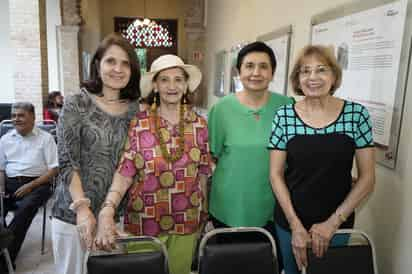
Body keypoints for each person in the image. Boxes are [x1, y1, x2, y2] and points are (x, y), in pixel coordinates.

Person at [94, 54, 211, 274]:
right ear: (155, 86)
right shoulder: (140, 123)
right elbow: (125, 170)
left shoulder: (200, 125)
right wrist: (108, 208)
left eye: (178, 79)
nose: (172, 86)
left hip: (186, 219)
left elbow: (202, 172)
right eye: (164, 80)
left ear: (186, 85)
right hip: (145, 219)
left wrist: (203, 214)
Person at [268, 45, 375, 274]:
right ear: (298, 78)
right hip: (290, 222)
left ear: (334, 76)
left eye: (321, 70)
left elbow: (367, 178)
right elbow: (275, 175)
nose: (313, 77)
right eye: (305, 71)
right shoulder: (284, 115)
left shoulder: (357, 115)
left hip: (338, 223)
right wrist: (295, 225)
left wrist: (332, 223)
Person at [51, 33, 140, 274]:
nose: (118, 69)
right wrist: (82, 209)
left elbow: (133, 162)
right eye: (111, 61)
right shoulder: (77, 102)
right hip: (73, 215)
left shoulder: (136, 109)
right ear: (97, 64)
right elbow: (67, 160)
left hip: (114, 216)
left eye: (125, 64)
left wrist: (108, 213)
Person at [207, 42, 292, 254]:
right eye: (249, 66)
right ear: (239, 71)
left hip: (273, 205)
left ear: (273, 72)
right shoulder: (221, 109)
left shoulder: (288, 106)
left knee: (268, 263)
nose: (256, 72)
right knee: (230, 264)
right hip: (229, 205)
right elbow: (213, 154)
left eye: (264, 66)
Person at [0, 102, 58, 272]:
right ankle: (4, 247)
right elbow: (1, 168)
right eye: (13, 116)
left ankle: (5, 260)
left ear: (32, 117)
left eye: (21, 115)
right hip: (10, 183)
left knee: (24, 210)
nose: (16, 119)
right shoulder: (5, 139)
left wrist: (30, 186)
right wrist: (1, 189)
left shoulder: (45, 138)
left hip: (38, 183)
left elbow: (54, 169)